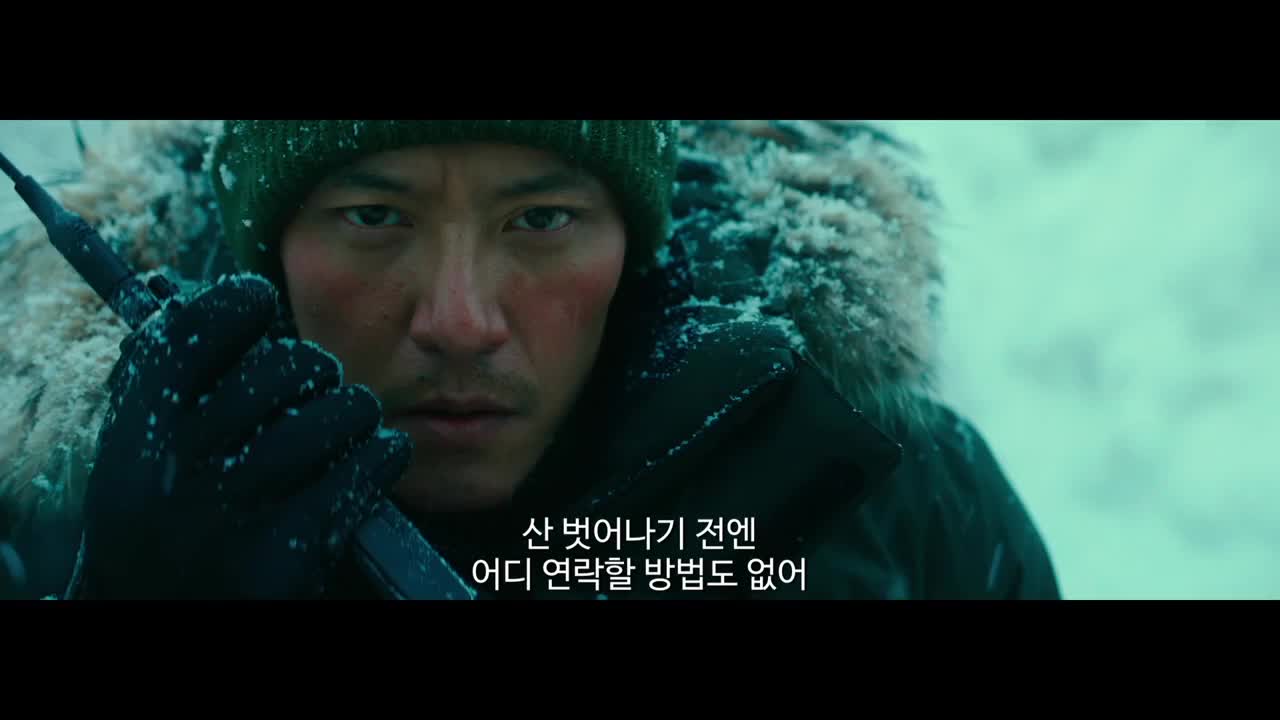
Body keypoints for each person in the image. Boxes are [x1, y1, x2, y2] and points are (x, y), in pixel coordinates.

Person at [0, 120, 1061, 600]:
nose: (460, 322)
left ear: (636, 246)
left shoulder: (882, 495)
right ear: (264, 253)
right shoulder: (65, 515)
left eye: (542, 219)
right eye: (374, 216)